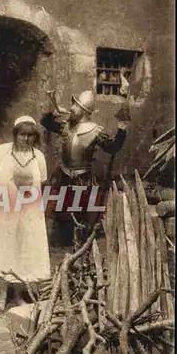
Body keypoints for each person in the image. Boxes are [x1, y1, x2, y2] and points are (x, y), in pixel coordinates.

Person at [0, 115, 51, 311]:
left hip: (28, 210)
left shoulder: (38, 156)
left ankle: (18, 294)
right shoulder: (1, 152)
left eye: (30, 135)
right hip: (4, 208)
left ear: (35, 137)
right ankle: (2, 294)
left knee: (23, 249)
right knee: (4, 247)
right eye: (22, 135)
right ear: (15, 135)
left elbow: (41, 182)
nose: (26, 139)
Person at [41, 90, 128, 249]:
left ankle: (82, 244)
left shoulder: (96, 131)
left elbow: (112, 147)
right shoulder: (66, 126)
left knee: (83, 210)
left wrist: (122, 130)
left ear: (85, 110)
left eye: (76, 105)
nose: (72, 107)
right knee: (62, 209)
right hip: (65, 174)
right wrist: (55, 111)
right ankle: (64, 243)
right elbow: (45, 122)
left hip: (83, 177)